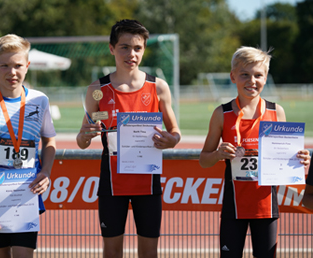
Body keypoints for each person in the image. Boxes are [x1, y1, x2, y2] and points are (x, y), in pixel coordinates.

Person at [76, 19, 181, 258]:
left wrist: (171, 140)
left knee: (149, 251)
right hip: (112, 184)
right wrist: (85, 135)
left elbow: (175, 132)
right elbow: (82, 140)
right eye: (124, 47)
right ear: (112, 48)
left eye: (137, 48)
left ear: (144, 49)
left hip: (148, 181)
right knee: (112, 251)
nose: (131, 54)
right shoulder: (97, 90)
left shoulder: (158, 87)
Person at [199, 46, 311, 258]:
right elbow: (204, 160)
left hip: (266, 206)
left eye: (258, 75)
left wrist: (300, 158)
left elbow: (285, 156)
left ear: (266, 77)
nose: (252, 81)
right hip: (234, 207)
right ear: (233, 77)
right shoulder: (221, 114)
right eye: (245, 75)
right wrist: (217, 155)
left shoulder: (276, 111)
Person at [0, 34, 56, 258]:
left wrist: (45, 172)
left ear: (27, 66)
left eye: (17, 65)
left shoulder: (39, 100)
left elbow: (50, 141)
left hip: (26, 194)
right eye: (4, 65)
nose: (12, 72)